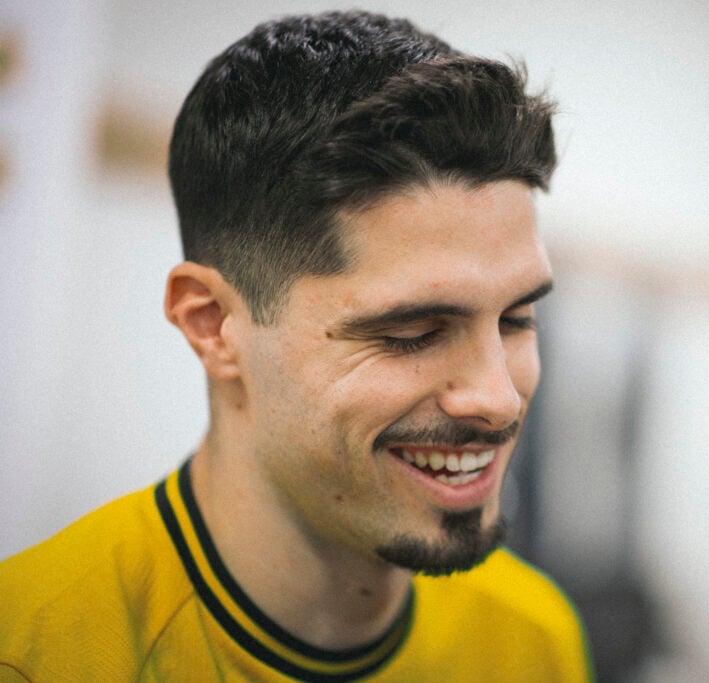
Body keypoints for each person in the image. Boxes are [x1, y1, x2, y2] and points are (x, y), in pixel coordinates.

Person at [0, 11, 591, 682]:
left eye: (517, 319)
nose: (498, 397)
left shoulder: (535, 640)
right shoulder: (33, 652)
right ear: (213, 324)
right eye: (413, 333)